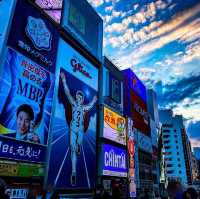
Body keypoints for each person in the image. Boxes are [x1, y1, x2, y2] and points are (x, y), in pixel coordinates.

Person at [61, 72, 97, 186]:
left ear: (82, 99)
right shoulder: (73, 104)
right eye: (76, 97)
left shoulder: (84, 107)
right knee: (72, 148)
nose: (77, 99)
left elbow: (90, 105)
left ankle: (78, 147)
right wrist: (64, 80)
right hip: (73, 128)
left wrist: (94, 100)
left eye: (79, 97)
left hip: (80, 129)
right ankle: (74, 172)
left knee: (79, 143)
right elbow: (67, 93)